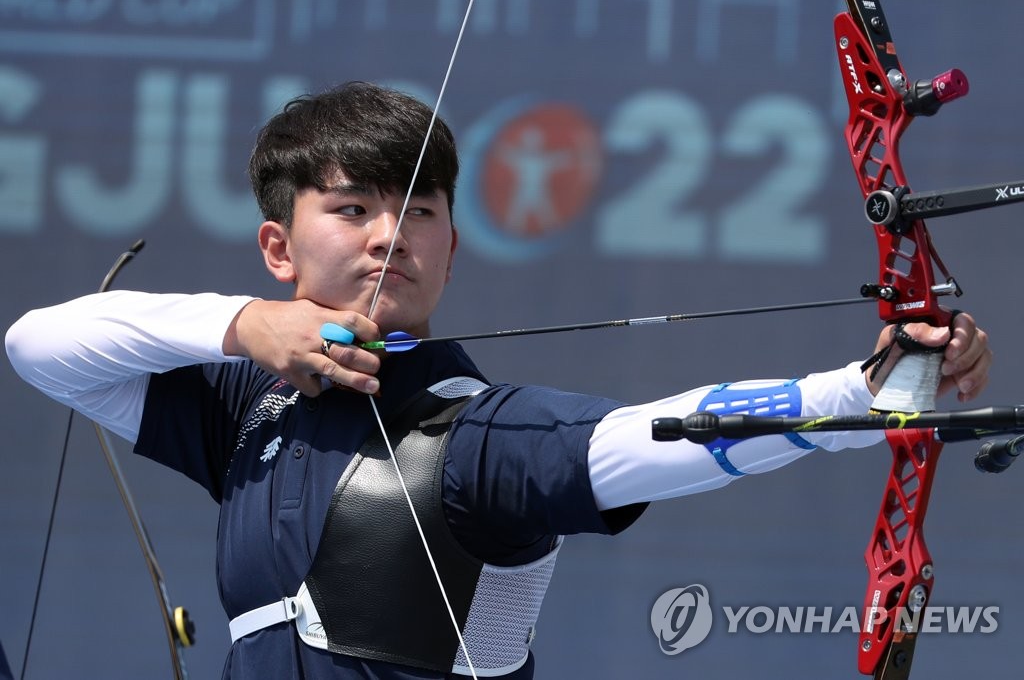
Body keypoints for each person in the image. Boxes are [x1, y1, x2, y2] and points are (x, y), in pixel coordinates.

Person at [5, 82, 991, 680]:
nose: (392, 234)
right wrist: (244, 326)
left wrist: (865, 391)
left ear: (452, 244)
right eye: (352, 208)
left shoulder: (477, 439)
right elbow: (40, 343)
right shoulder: (245, 411)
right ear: (278, 245)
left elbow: (654, 435)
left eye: (420, 211)